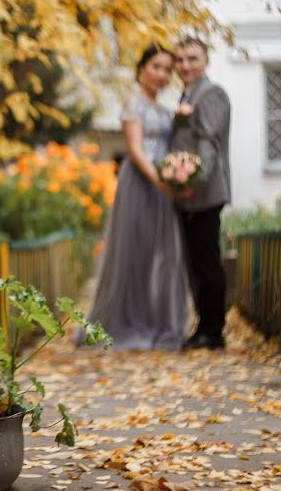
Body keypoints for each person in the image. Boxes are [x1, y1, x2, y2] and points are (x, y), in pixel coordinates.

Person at [80, 45, 189, 350]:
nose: (163, 74)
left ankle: (160, 321)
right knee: (135, 251)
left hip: (162, 186)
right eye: (157, 66)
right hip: (140, 184)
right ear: (141, 68)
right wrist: (160, 183)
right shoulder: (133, 103)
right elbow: (136, 150)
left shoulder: (162, 107)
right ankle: (125, 321)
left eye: (168, 69)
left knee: (164, 255)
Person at [170, 37, 231, 350]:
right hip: (189, 193)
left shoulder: (211, 94)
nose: (185, 65)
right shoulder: (187, 93)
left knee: (207, 262)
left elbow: (209, 143)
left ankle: (213, 330)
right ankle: (204, 327)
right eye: (179, 60)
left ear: (206, 61)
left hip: (205, 193)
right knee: (196, 263)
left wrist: (196, 181)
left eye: (192, 58)